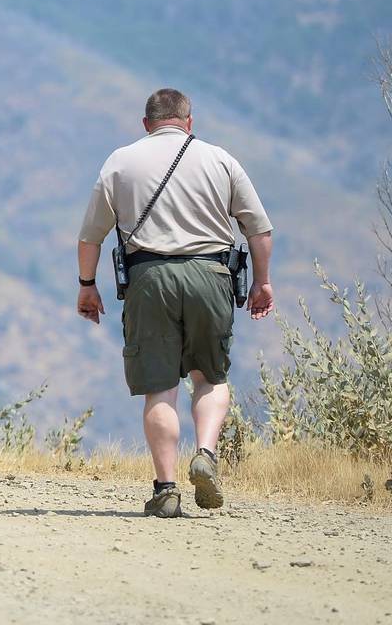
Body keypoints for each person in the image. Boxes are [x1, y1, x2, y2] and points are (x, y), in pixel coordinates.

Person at [75, 88, 274, 518]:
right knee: (209, 377)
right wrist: (262, 282)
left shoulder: (120, 161)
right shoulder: (221, 160)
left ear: (146, 124)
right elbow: (259, 231)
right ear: (189, 121)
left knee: (159, 387)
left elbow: (91, 236)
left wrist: (87, 285)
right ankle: (205, 453)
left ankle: (165, 490)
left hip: (149, 279)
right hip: (211, 275)